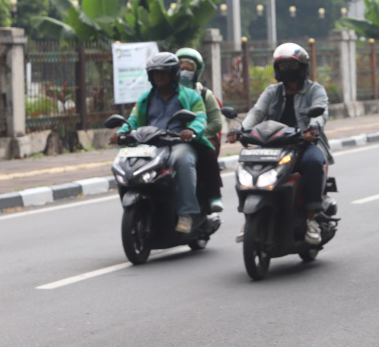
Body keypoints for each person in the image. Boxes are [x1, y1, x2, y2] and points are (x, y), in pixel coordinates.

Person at [226, 42, 332, 245]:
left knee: (313, 163)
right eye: (283, 67)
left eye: (292, 66)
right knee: (246, 164)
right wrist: (240, 130)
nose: (287, 71)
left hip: (303, 143)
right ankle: (250, 217)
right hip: (272, 144)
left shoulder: (315, 90)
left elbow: (321, 112)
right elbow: (257, 112)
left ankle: (310, 220)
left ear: (302, 68)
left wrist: (313, 129)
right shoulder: (272, 92)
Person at [108, 52, 213, 234]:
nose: (159, 76)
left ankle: (186, 214)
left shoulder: (191, 96)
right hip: (149, 145)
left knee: (183, 160)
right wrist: (121, 133)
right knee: (124, 164)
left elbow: (200, 118)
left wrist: (192, 130)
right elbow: (132, 121)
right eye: (155, 73)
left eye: (163, 72)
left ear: (174, 74)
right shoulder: (144, 99)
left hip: (178, 143)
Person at [176, 47, 225, 214]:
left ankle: (214, 196)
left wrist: (198, 134)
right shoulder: (167, 93)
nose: (184, 73)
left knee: (207, 153)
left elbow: (216, 124)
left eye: (189, 70)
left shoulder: (204, 94)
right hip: (173, 137)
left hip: (203, 135)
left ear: (197, 71)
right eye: (180, 69)